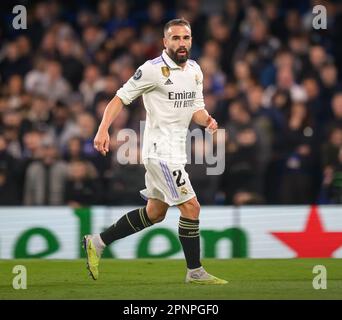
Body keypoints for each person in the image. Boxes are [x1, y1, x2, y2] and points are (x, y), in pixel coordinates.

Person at [83, 18, 227, 285]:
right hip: (159, 153)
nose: (181, 43)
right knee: (192, 208)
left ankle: (98, 242)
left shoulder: (195, 70)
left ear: (191, 40)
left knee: (155, 213)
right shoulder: (152, 70)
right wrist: (103, 129)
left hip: (176, 153)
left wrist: (207, 120)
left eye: (185, 38)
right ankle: (194, 271)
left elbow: (195, 108)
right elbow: (119, 98)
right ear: (165, 42)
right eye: (175, 38)